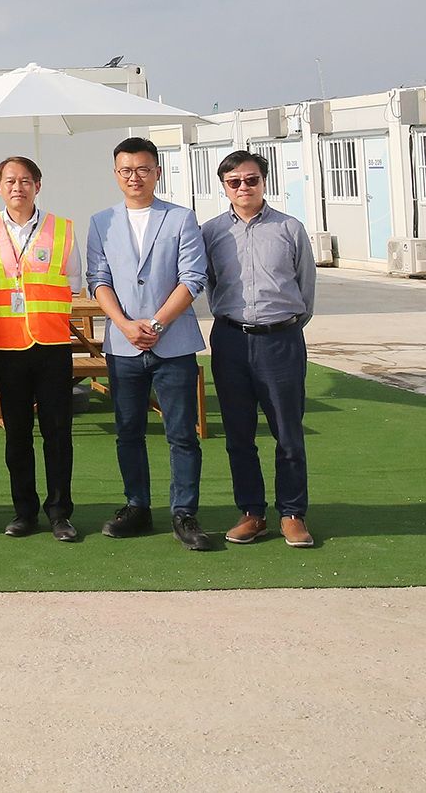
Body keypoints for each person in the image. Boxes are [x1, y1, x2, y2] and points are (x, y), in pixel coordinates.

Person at [85, 137, 214, 551]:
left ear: (157, 171)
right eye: (125, 170)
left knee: (181, 433)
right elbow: (97, 279)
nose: (134, 177)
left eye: (142, 169)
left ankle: (184, 512)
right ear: (115, 174)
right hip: (123, 346)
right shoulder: (101, 221)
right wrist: (123, 324)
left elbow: (193, 278)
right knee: (128, 431)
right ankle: (136, 506)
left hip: (172, 343)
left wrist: (156, 323)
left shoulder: (180, 218)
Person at [201, 150, 318, 549]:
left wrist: (284, 328)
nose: (243, 187)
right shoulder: (211, 232)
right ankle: (252, 512)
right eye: (234, 182)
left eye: (251, 180)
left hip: (281, 340)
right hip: (231, 340)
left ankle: (292, 513)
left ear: (264, 181)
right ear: (224, 187)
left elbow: (306, 286)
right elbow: (211, 283)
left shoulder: (290, 228)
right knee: (238, 433)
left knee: (287, 432)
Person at [0, 155, 84, 542]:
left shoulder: (64, 230)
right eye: (9, 181)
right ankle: (24, 511)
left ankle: (59, 512)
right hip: (7, 346)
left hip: (53, 345)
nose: (17, 187)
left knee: (58, 432)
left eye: (25, 180)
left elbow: (73, 282)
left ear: (38, 184)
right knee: (16, 434)